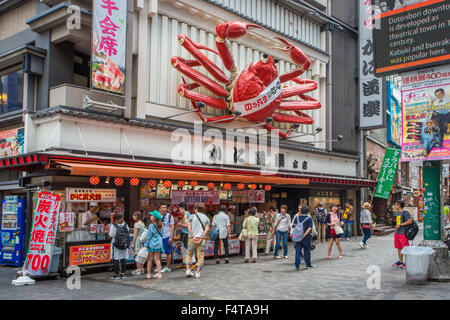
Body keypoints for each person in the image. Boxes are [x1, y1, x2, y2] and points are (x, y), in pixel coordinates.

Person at [185, 203, 210, 278]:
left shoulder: (191, 217)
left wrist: (193, 237)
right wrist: (201, 238)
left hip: (191, 239)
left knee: (189, 254)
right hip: (201, 240)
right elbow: (206, 230)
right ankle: (198, 272)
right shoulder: (206, 218)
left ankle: (188, 270)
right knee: (200, 256)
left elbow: (189, 228)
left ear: (195, 209)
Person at [292, 205, 314, 270]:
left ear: (301, 211)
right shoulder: (309, 218)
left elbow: (293, 226)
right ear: (307, 212)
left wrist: (294, 234)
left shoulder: (297, 217)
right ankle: (308, 264)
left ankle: (297, 266)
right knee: (307, 251)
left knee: (297, 252)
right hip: (306, 238)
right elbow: (310, 228)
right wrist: (304, 235)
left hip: (298, 237)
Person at [392, 200, 413, 269]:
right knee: (399, 248)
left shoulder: (405, 213)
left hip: (403, 233)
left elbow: (410, 221)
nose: (395, 206)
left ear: (399, 205)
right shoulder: (398, 213)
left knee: (405, 248)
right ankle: (400, 261)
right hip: (397, 232)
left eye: (396, 205)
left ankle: (407, 262)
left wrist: (401, 225)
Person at [109, 212, 129, 280]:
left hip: (116, 244)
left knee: (116, 259)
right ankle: (123, 274)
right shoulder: (125, 224)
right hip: (124, 244)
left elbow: (111, 235)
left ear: (115, 219)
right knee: (123, 259)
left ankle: (116, 274)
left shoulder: (113, 225)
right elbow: (127, 232)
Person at [145, 210, 164, 279]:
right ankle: (159, 273)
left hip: (152, 243)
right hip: (159, 243)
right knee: (157, 259)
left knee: (150, 259)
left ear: (155, 218)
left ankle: (149, 274)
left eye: (152, 215)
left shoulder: (151, 226)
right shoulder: (162, 225)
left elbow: (148, 236)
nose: (150, 216)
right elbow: (162, 234)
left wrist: (146, 244)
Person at [159, 204, 174, 273]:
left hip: (166, 236)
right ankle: (159, 266)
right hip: (158, 236)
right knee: (158, 252)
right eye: (162, 207)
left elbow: (172, 226)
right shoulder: (157, 216)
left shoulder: (170, 216)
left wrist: (171, 237)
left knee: (167, 252)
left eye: (165, 207)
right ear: (159, 209)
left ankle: (168, 267)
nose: (164, 209)